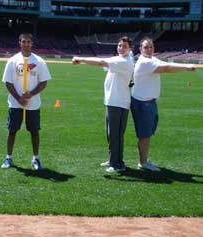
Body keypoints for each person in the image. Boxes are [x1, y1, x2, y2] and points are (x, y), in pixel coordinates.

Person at [131, 37, 195, 172]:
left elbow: (164, 63)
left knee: (147, 134)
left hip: (149, 102)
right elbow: (166, 68)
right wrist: (186, 66)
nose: (149, 49)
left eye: (151, 47)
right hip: (143, 103)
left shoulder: (151, 59)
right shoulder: (144, 62)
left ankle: (144, 160)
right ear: (140, 49)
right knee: (144, 136)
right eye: (146, 47)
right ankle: (143, 163)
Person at [72, 36, 134, 173]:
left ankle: (118, 164)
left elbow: (100, 62)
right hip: (113, 101)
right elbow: (104, 64)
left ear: (130, 49)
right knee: (111, 134)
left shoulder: (123, 61)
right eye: (119, 45)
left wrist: (81, 59)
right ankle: (113, 159)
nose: (121, 48)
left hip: (118, 102)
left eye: (124, 46)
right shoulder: (121, 60)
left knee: (115, 134)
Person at [0, 33, 51, 170]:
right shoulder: (12, 61)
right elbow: (8, 83)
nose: (26, 44)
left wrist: (31, 94)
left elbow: (44, 82)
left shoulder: (39, 61)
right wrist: (18, 98)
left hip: (33, 104)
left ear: (32, 43)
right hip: (15, 103)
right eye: (24, 41)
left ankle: (36, 158)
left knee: (34, 131)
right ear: (19, 43)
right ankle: (8, 157)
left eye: (28, 42)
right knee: (12, 130)